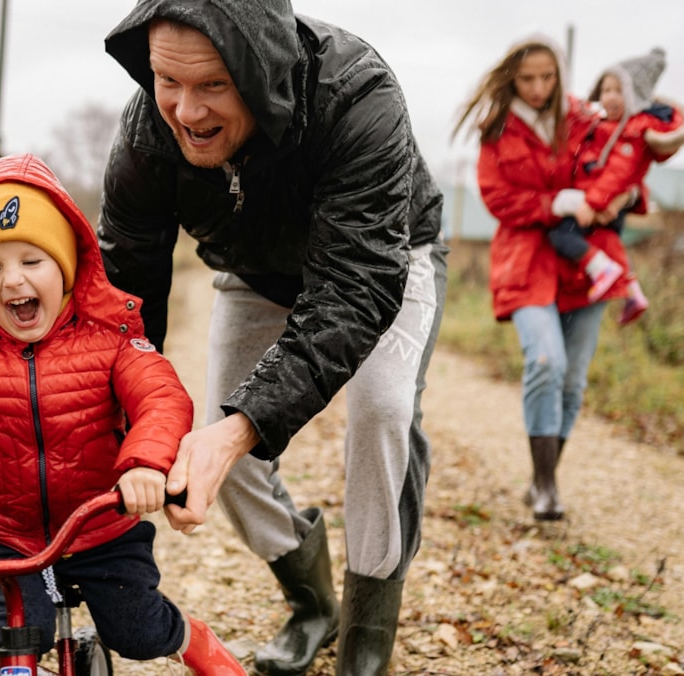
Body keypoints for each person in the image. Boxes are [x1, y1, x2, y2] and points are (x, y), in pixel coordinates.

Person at [99, 2, 447, 674]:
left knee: (381, 412)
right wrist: (126, 433)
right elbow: (126, 302)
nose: (186, 112)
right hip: (254, 270)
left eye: (212, 86)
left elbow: (354, 289)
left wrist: (240, 426)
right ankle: (312, 603)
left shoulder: (357, 94)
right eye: (168, 80)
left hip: (384, 258)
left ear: (259, 73)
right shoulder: (147, 131)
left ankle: (366, 642)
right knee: (219, 446)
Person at [0, 153, 246, 675]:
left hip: (101, 525)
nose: (13, 281)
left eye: (32, 261)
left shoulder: (110, 339)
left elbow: (162, 398)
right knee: (12, 641)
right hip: (7, 533)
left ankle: (197, 643)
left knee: (138, 631)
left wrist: (145, 464)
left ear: (65, 265)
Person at [452, 36, 684, 521]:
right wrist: (555, 204)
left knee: (573, 379)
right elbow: (498, 199)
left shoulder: (583, 116)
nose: (539, 87)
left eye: (547, 76)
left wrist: (629, 196)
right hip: (526, 259)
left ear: (559, 75)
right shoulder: (496, 128)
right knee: (545, 360)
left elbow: (630, 147)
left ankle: (546, 479)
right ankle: (543, 485)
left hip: (588, 258)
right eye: (527, 78)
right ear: (511, 78)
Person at [547, 46, 684, 325]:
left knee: (561, 236)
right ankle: (632, 291)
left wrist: (592, 203)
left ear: (635, 97)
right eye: (606, 90)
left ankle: (601, 270)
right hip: (599, 201)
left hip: (598, 203)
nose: (610, 97)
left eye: (618, 90)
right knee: (608, 243)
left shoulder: (630, 133)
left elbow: (618, 174)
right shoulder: (602, 126)